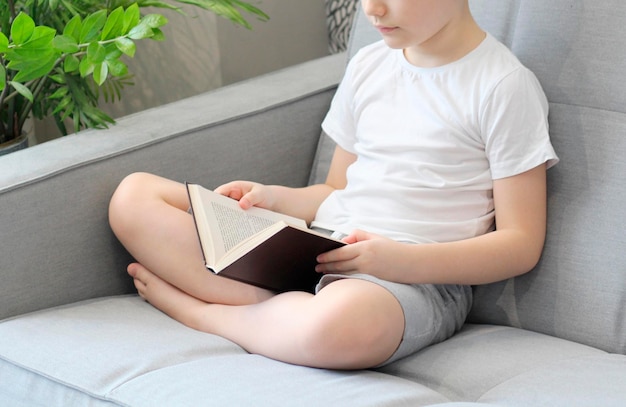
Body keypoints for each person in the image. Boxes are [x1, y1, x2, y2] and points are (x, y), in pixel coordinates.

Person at [108, 0, 558, 370]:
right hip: (317, 247)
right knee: (134, 196)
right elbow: (333, 191)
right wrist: (272, 197)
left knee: (339, 326)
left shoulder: (503, 87)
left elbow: (521, 244)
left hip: (412, 281)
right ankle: (275, 308)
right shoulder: (370, 65)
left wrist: (401, 261)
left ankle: (204, 312)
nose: (372, 10)